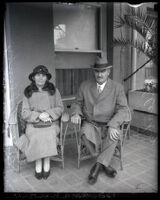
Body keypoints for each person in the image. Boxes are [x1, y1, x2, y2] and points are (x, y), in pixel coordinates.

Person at [71, 56, 130, 185]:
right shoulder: (85, 85)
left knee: (114, 135)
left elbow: (123, 109)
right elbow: (77, 103)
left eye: (103, 71)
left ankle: (97, 167)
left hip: (109, 124)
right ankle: (104, 164)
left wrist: (114, 125)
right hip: (91, 123)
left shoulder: (117, 87)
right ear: (94, 72)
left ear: (108, 72)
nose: (100, 74)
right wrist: (76, 113)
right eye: (97, 71)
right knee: (84, 132)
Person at [15, 65, 64, 180]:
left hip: (51, 122)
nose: (40, 78)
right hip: (33, 123)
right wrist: (38, 116)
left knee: (49, 133)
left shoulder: (54, 90)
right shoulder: (28, 92)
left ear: (47, 78)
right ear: (33, 77)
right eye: (38, 75)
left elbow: (60, 107)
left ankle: (46, 161)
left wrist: (48, 113)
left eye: (43, 75)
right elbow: (25, 112)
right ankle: (38, 162)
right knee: (35, 134)